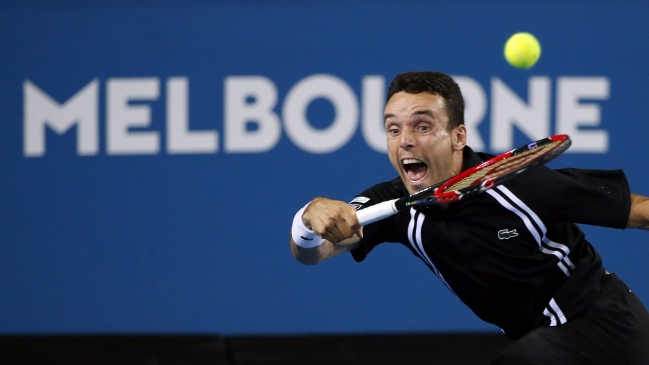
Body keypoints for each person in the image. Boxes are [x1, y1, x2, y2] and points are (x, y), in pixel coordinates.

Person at [289, 71, 649, 364]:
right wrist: (308, 220)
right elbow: (313, 252)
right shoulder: (394, 204)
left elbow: (638, 211)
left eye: (423, 126)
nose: (405, 142)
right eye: (394, 129)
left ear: (458, 136)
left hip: (605, 322)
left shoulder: (518, 182)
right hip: (545, 339)